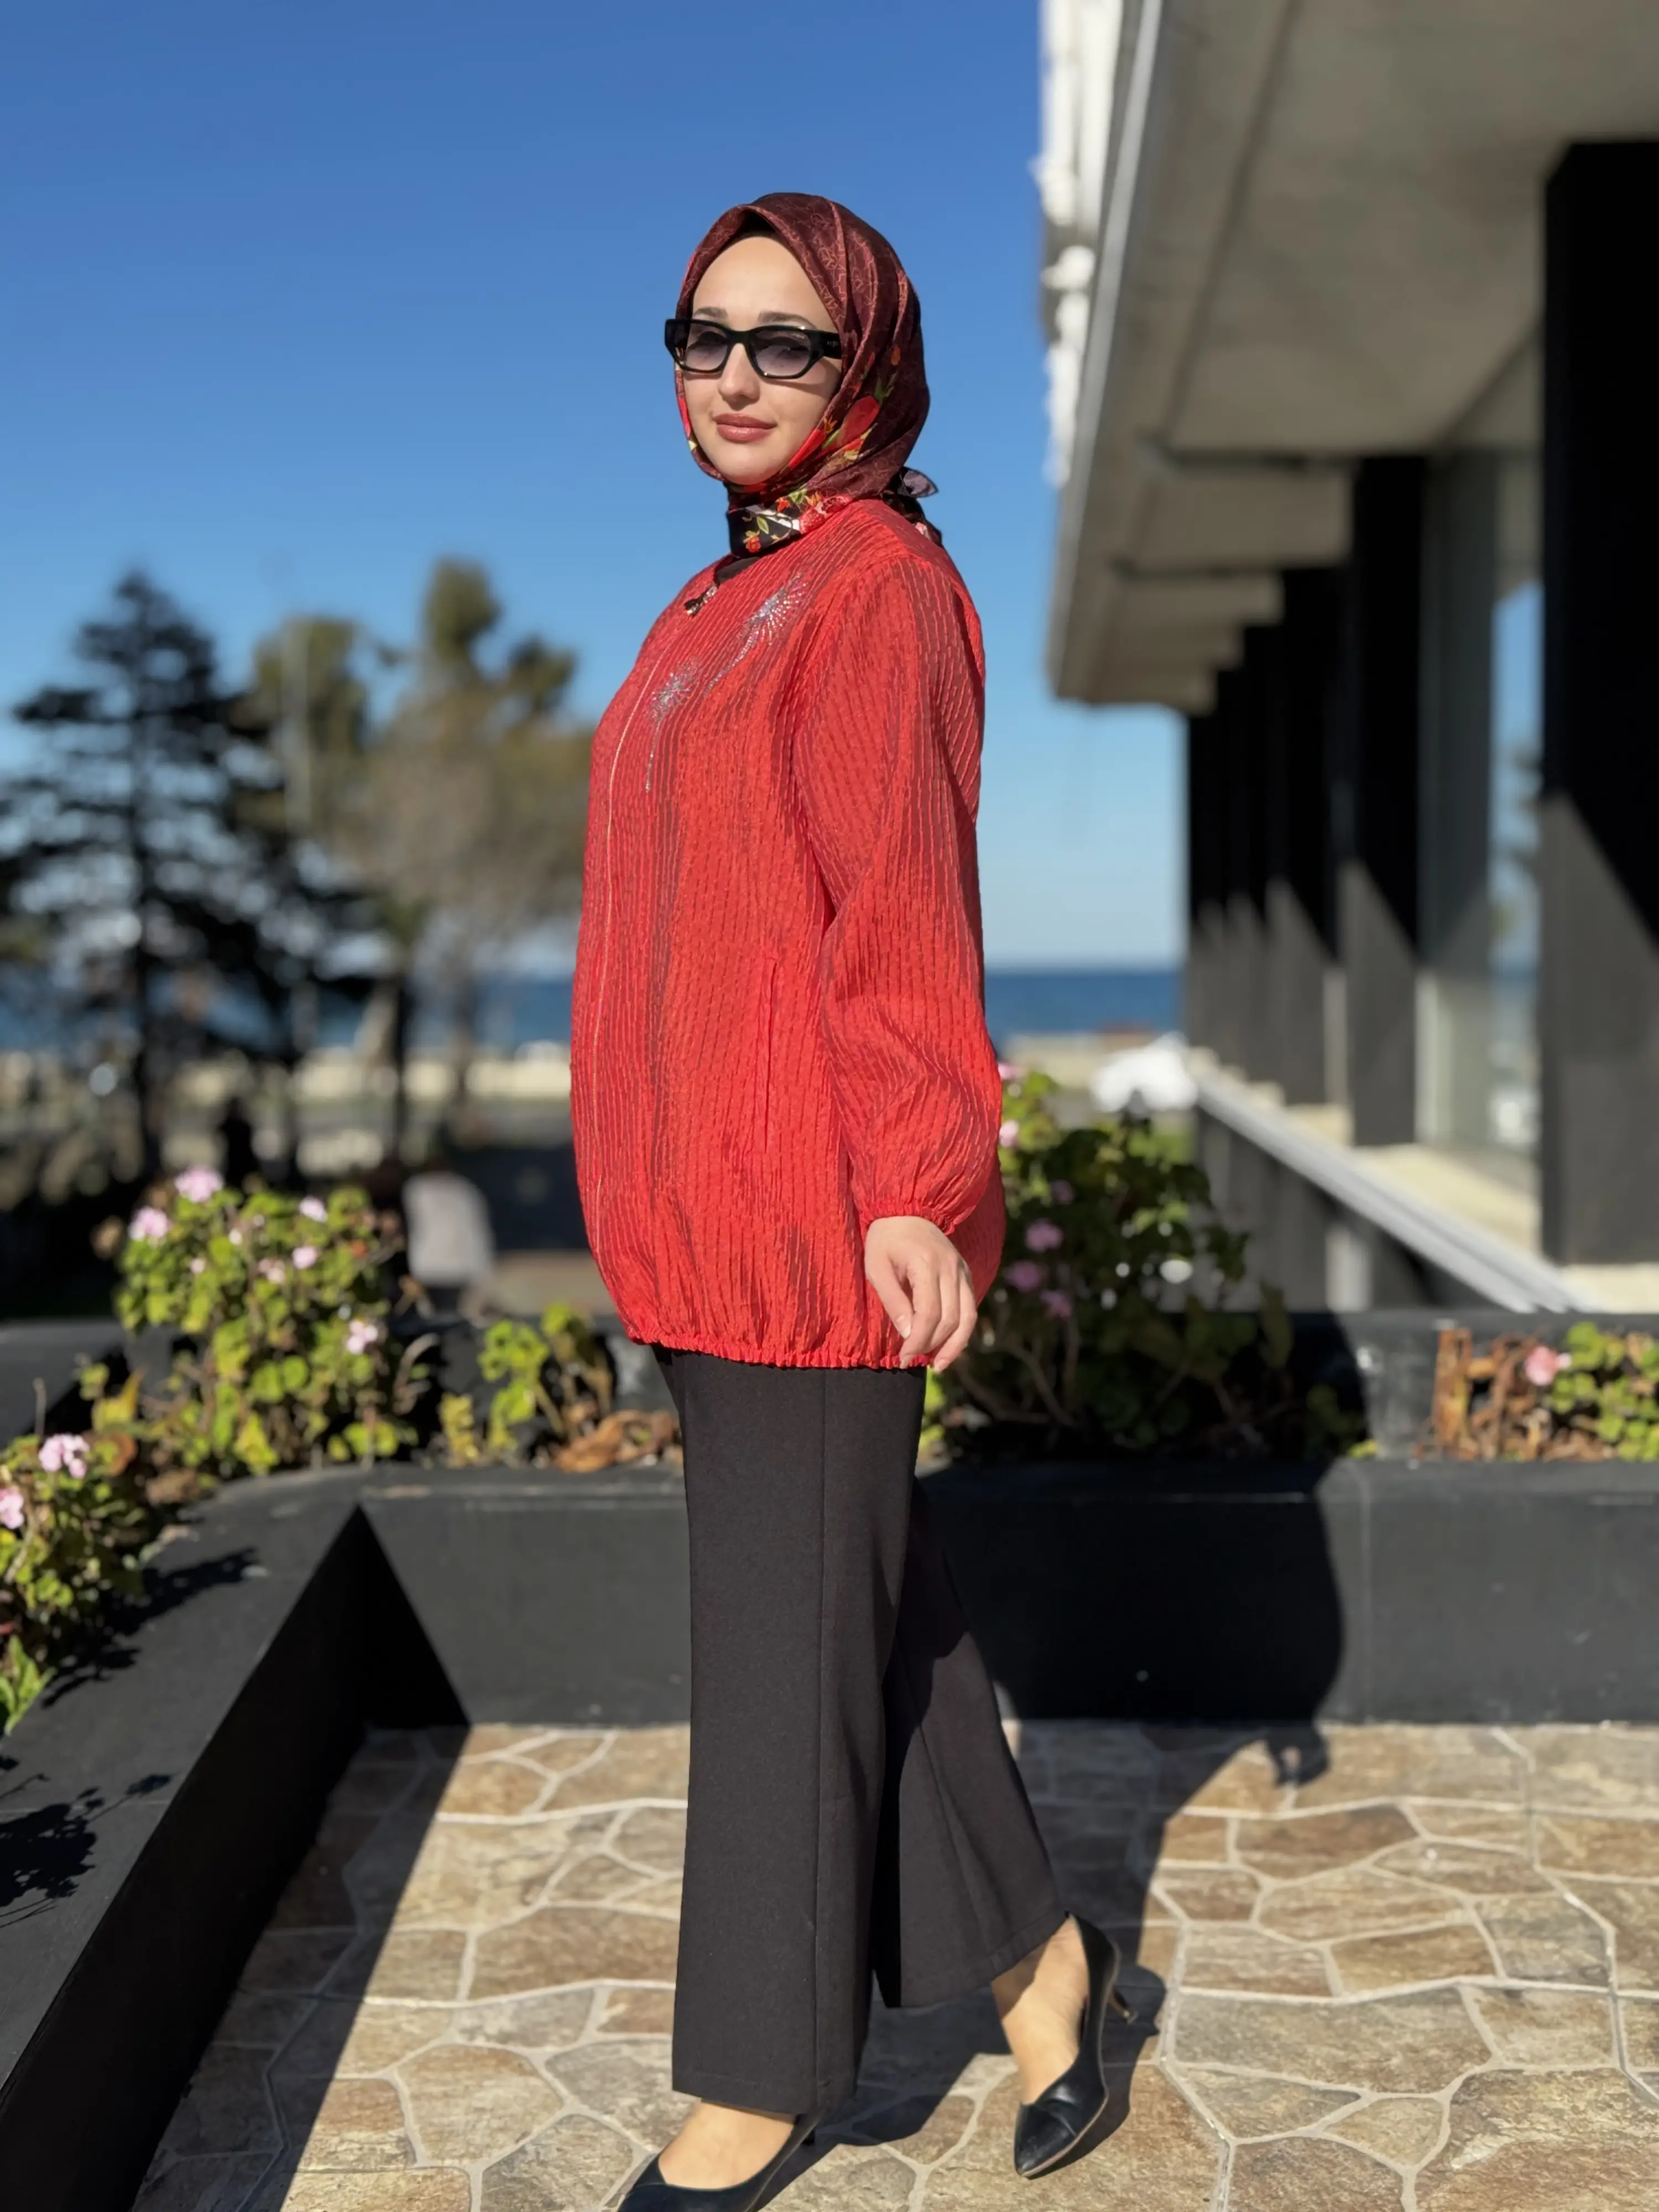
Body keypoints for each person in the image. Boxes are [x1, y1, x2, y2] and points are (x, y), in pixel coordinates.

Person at [570, 195, 1128, 2211]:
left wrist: (915, 1183)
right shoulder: (718, 596)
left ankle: (762, 2070)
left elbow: (900, 910)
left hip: (811, 1211)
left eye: (785, 342)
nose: (733, 373)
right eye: (703, 335)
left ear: (866, 365)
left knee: (778, 1645)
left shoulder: (876, 587)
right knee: (864, 1612)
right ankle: (1045, 1975)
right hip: (693, 1201)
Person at [400, 1142, 495, 1314]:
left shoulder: (458, 1191)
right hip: (435, 1267)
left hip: (444, 1268)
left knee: (444, 1314)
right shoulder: (419, 1189)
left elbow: (473, 1232)